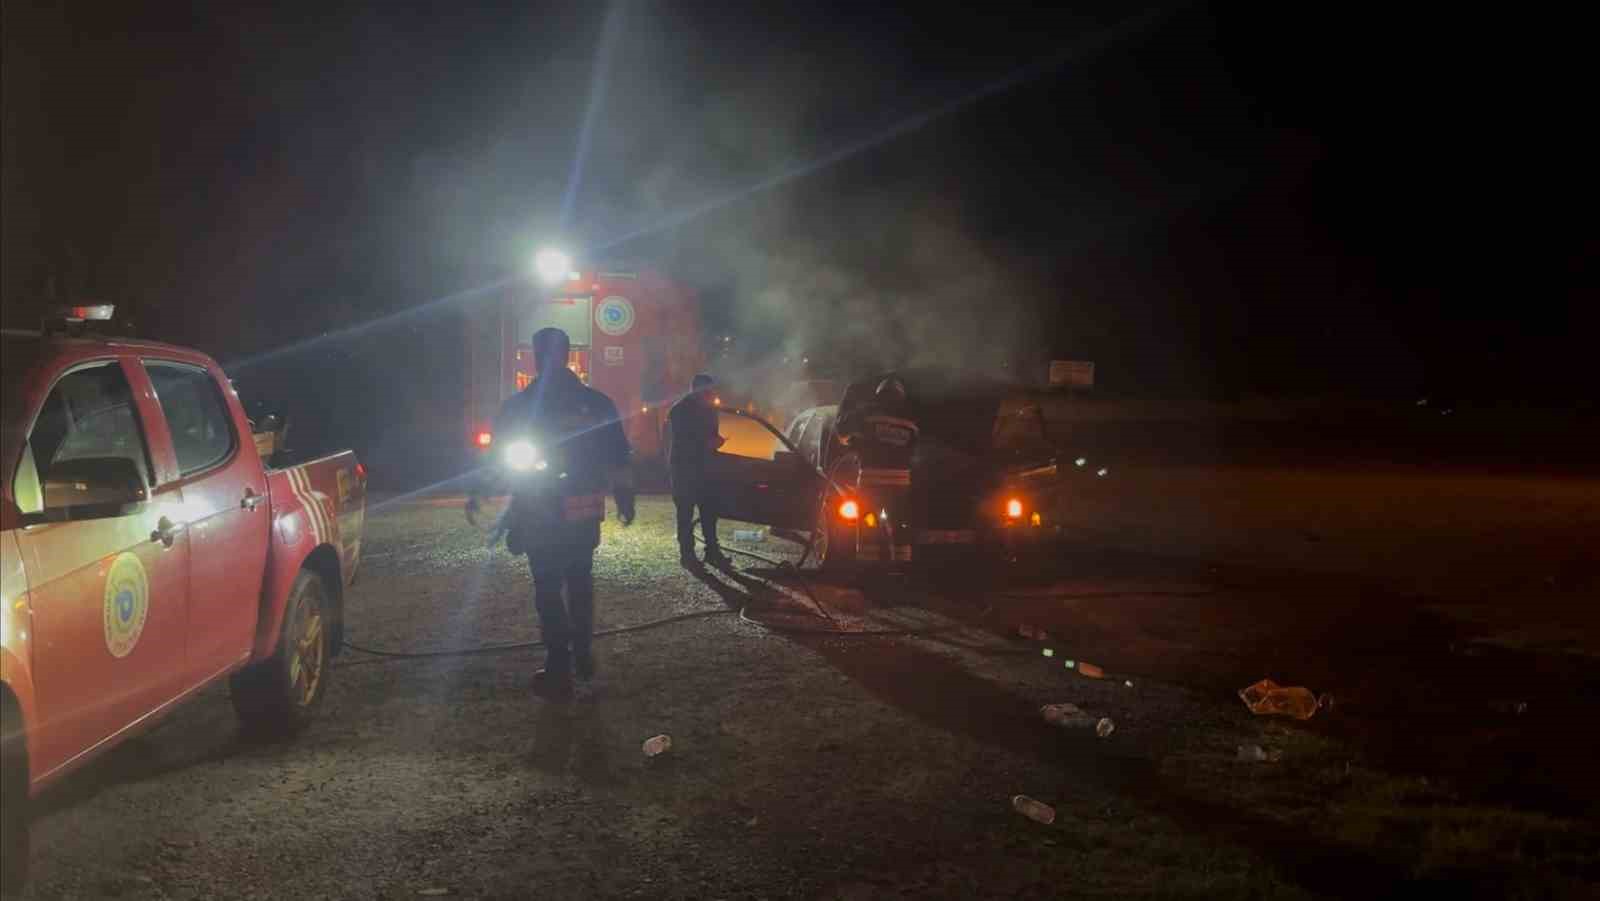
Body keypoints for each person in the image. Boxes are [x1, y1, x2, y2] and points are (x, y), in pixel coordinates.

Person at [468, 327, 635, 700]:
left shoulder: (519, 406)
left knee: (547, 585)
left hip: (538, 509)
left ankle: (560, 662)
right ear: (568, 354)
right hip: (580, 511)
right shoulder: (595, 403)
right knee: (579, 580)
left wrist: (480, 492)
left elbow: (497, 458)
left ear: (534, 356)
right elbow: (619, 454)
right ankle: (582, 651)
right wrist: (625, 496)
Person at [667, 373, 730, 569]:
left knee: (709, 512)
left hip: (705, 468)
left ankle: (712, 551)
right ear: (697, 390)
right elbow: (682, 440)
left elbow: (709, 435)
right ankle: (687, 555)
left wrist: (716, 441)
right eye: (708, 391)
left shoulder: (709, 409)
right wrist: (708, 443)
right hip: (684, 468)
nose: (711, 395)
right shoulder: (679, 410)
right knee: (685, 514)